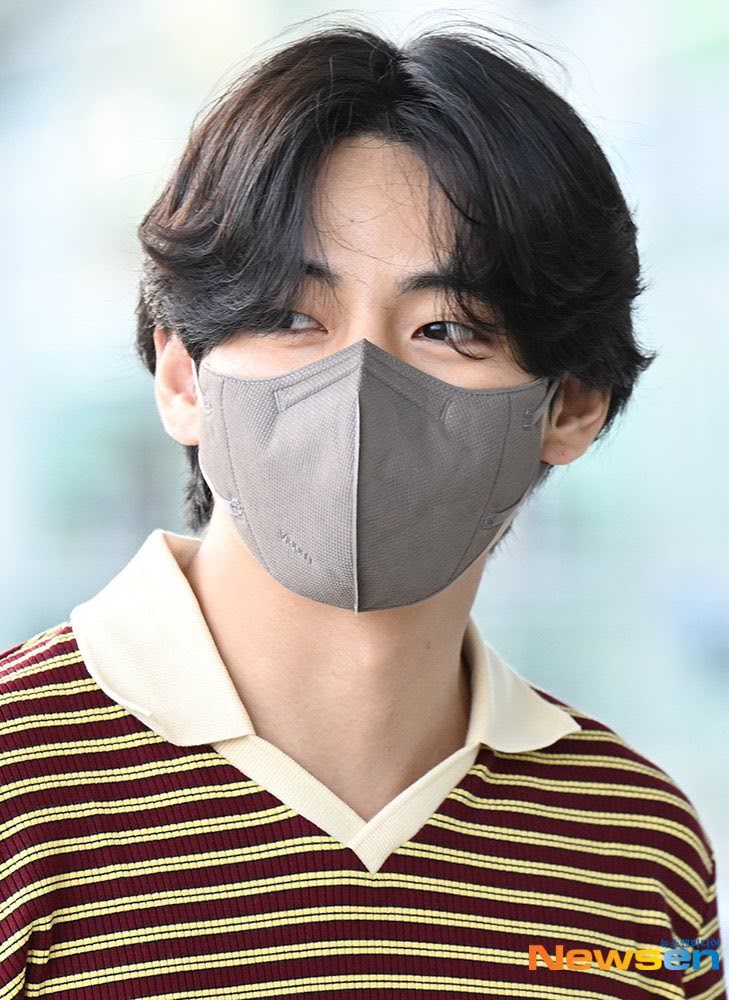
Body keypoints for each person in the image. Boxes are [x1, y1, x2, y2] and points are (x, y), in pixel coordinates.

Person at [1, 19, 724, 999]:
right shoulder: (17, 789)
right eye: (292, 317)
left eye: (447, 328)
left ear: (572, 406)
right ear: (181, 377)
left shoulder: (638, 848)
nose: (358, 388)